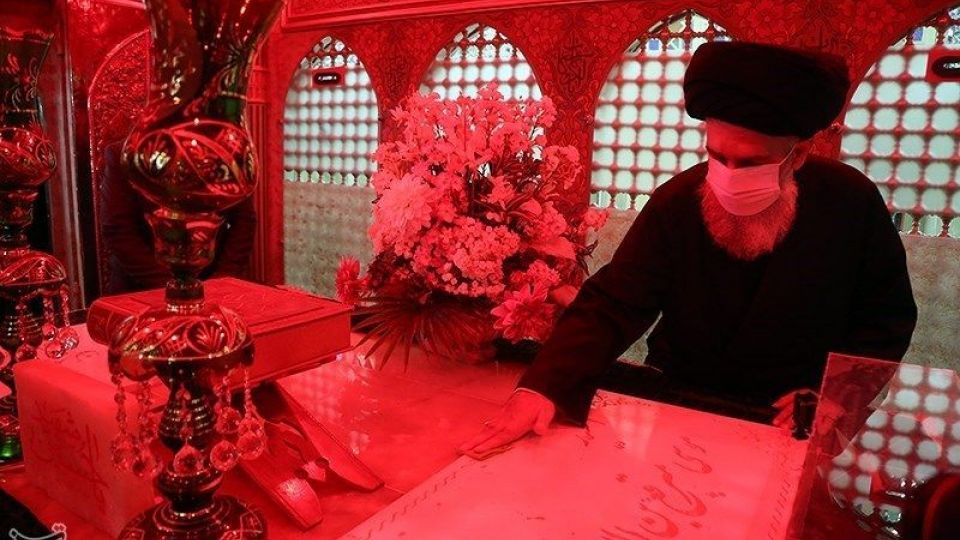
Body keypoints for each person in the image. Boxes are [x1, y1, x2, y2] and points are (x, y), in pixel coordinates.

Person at [461, 41, 918, 457]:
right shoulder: (679, 200)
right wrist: (542, 387)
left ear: (796, 156)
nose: (729, 175)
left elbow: (885, 318)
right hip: (682, 399)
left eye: (751, 162)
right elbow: (613, 302)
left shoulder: (850, 201)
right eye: (718, 156)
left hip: (793, 416)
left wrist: (835, 395)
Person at [99, 139, 258, 294]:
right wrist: (175, 289)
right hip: (141, 288)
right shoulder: (123, 154)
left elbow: (244, 220)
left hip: (213, 283)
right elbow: (117, 229)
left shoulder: (226, 152)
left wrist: (221, 279)